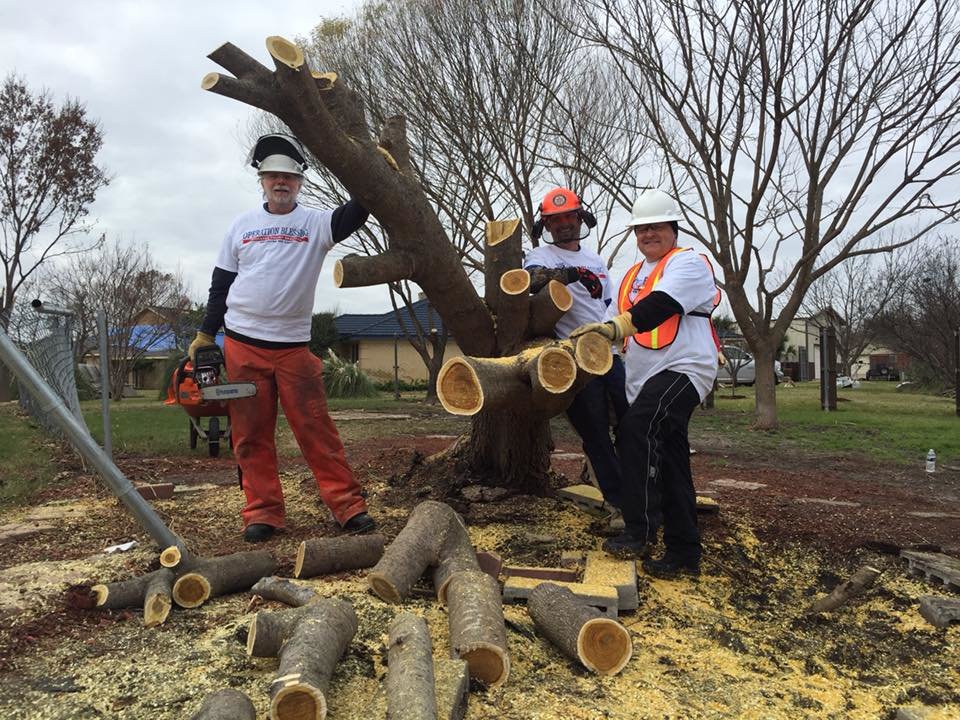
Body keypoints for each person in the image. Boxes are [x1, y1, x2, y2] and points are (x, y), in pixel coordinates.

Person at [188, 133, 375, 542]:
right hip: (242, 343)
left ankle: (348, 506)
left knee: (316, 429)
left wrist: (372, 168)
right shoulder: (241, 226)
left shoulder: (316, 224)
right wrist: (206, 333)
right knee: (250, 434)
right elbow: (221, 284)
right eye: (273, 176)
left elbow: (357, 211)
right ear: (262, 180)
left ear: (300, 182)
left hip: (293, 348)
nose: (280, 182)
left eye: (288, 177)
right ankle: (263, 512)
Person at [571, 188, 719, 577]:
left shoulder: (689, 264)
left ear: (673, 228)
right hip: (644, 376)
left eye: (654, 227)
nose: (647, 235)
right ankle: (684, 552)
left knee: (637, 428)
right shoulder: (631, 277)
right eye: (640, 230)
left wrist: (612, 327)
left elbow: (658, 308)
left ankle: (640, 529)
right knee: (669, 458)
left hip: (685, 368)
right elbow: (616, 325)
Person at [524, 187, 628, 513]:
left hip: (608, 353)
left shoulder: (595, 259)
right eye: (556, 220)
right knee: (594, 431)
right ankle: (619, 503)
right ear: (547, 225)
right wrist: (572, 274)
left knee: (632, 424)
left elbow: (607, 303)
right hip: (575, 356)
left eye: (569, 217)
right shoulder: (541, 256)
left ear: (580, 218)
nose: (564, 224)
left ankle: (643, 493)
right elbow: (530, 280)